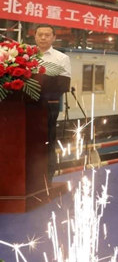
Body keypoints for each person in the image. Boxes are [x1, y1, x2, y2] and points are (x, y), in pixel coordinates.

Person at [34, 24, 71, 179]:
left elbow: (62, 85)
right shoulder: (26, 56)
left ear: (54, 37)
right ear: (35, 36)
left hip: (49, 106)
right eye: (40, 34)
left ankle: (47, 175)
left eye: (47, 35)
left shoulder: (61, 58)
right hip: (25, 107)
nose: (43, 37)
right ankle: (29, 174)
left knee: (47, 139)